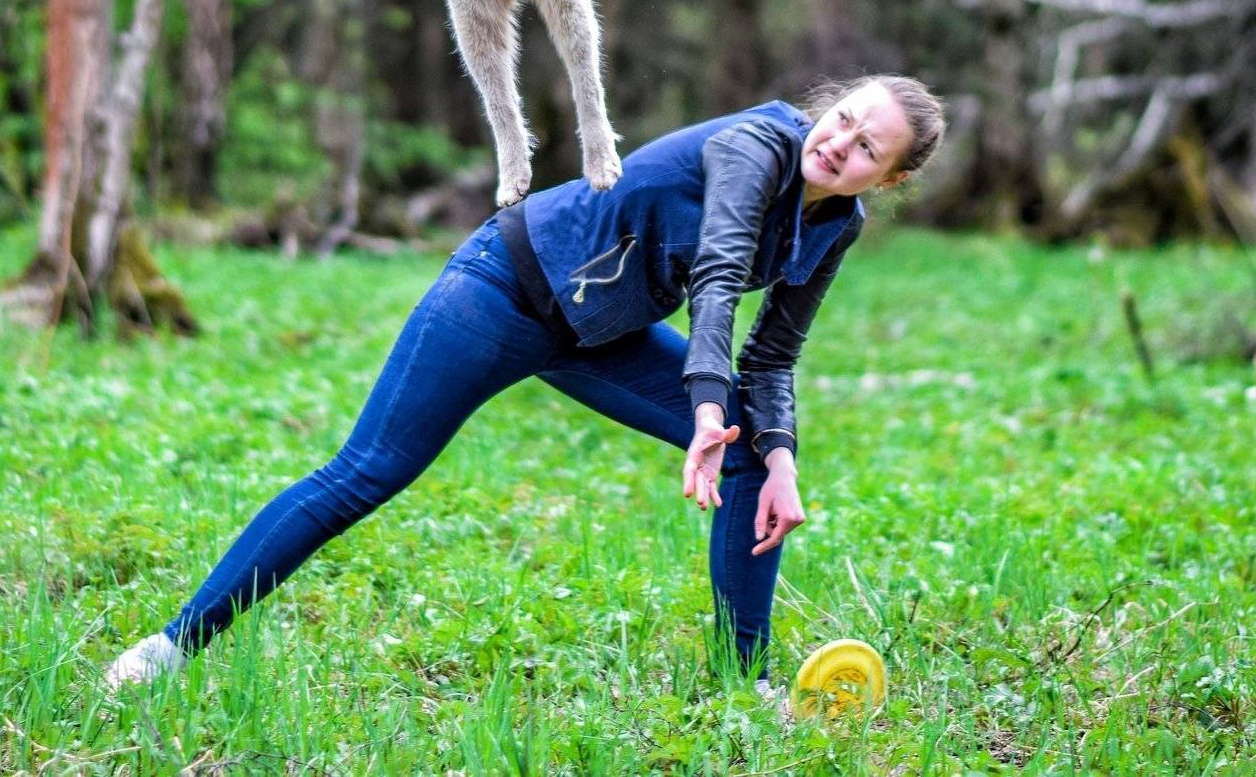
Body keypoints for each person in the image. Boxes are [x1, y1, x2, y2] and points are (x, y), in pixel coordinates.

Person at [106, 75, 945, 689]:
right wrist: (706, 409)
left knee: (755, 459)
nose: (839, 143)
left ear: (890, 180)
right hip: (501, 290)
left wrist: (782, 455)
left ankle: (743, 686)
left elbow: (773, 354)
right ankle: (166, 649)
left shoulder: (836, 223)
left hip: (597, 333)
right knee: (366, 472)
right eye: (843, 117)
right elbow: (719, 274)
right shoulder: (754, 145)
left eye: (867, 148)